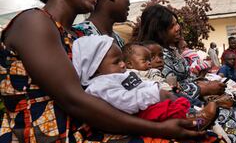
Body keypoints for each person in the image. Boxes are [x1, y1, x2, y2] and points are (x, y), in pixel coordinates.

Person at [0, 0, 229, 143]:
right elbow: (74, 99)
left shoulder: (74, 37)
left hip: (84, 134)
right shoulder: (34, 22)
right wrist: (160, 129)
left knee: (209, 140)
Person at [136, 4, 236, 143]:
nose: (178, 28)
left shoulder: (171, 51)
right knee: (227, 119)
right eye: (172, 26)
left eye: (177, 23)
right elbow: (164, 88)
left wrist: (206, 85)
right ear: (158, 29)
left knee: (234, 110)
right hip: (178, 108)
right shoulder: (149, 55)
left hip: (193, 101)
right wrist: (203, 88)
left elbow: (188, 78)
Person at [72, 35, 217, 130]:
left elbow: (141, 84)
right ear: (94, 68)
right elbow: (124, 101)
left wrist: (155, 88)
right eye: (117, 62)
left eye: (122, 60)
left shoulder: (119, 73)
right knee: (173, 114)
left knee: (177, 104)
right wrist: (153, 94)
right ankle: (197, 122)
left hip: (149, 103)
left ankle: (198, 115)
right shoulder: (99, 86)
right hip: (139, 114)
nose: (123, 65)